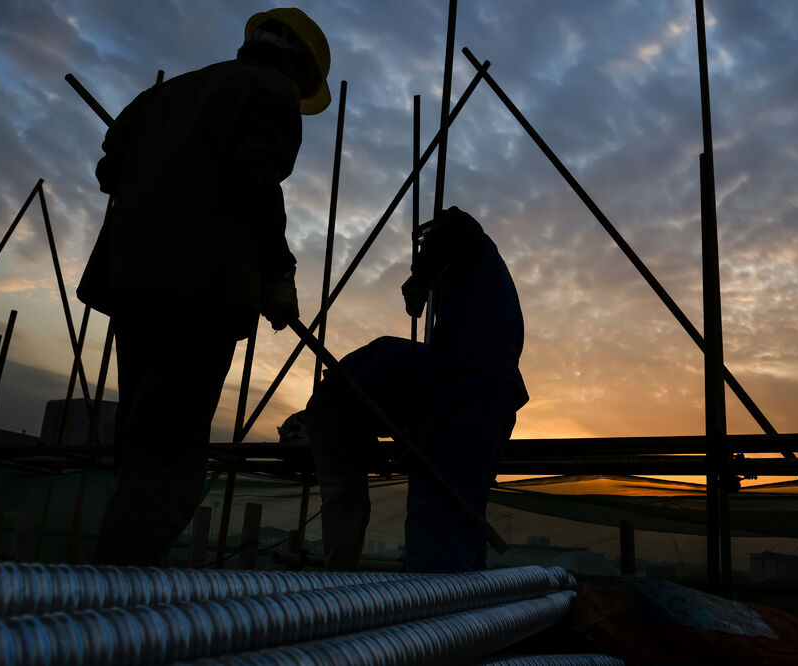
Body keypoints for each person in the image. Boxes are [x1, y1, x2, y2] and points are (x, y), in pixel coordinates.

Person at [76, 8, 331, 565]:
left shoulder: (165, 95)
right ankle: (120, 602)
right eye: (304, 82)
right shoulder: (271, 91)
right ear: (293, 62)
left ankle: (109, 582)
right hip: (202, 287)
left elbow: (107, 173)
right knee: (168, 451)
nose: (300, 91)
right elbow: (255, 179)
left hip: (133, 280)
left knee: (141, 441)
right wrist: (278, 271)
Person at [306, 206, 528, 572]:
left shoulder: (466, 250)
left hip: (466, 384)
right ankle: (458, 608)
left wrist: (419, 279)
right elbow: (352, 415)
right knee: (459, 508)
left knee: (438, 512)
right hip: (490, 389)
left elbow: (455, 220)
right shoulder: (485, 287)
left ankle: (437, 609)